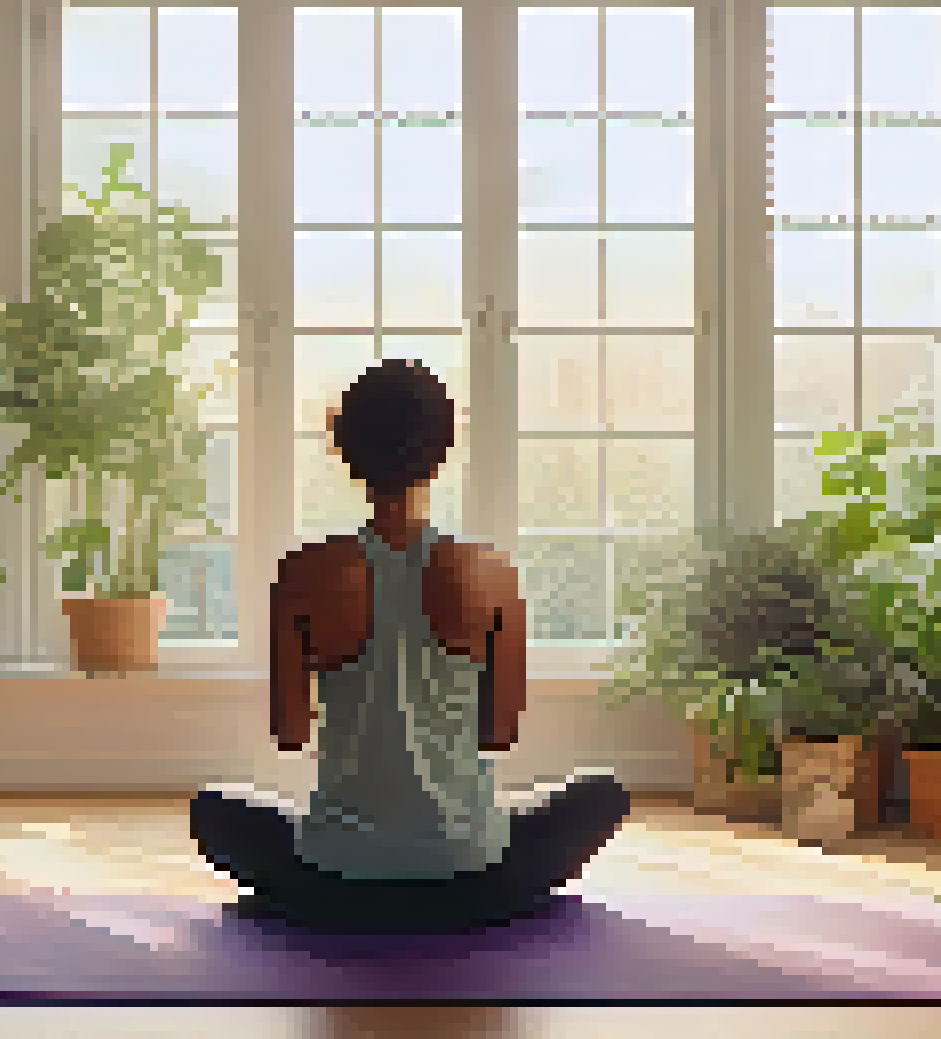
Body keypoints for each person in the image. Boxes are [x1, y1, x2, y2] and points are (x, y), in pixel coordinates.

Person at [189, 358, 630, 933]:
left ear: (345, 452)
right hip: (473, 873)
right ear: (443, 450)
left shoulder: (301, 574)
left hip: (334, 874)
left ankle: (345, 897)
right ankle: (456, 892)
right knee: (602, 794)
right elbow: (499, 734)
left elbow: (291, 732)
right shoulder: (491, 574)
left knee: (214, 808)